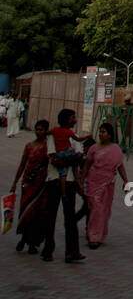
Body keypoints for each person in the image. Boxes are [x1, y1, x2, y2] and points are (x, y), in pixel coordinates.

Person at [42, 109, 86, 263]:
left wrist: (70, 160)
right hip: (54, 180)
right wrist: (71, 159)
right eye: (73, 117)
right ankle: (48, 249)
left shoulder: (74, 138)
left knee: (70, 217)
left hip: (70, 181)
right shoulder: (54, 135)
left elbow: (80, 158)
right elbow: (53, 158)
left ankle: (72, 251)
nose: (75, 119)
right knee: (51, 215)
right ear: (67, 119)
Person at [80, 122, 129, 249]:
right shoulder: (94, 149)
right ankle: (93, 235)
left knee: (103, 210)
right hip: (94, 181)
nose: (101, 134)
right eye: (100, 131)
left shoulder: (115, 149)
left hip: (108, 184)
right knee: (95, 208)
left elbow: (120, 166)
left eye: (104, 132)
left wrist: (126, 180)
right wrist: (81, 180)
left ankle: (98, 236)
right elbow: (87, 165)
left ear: (110, 134)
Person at [10, 118, 50, 254]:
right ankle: (23, 238)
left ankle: (33, 242)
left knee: (38, 213)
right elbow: (22, 164)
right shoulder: (29, 146)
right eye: (37, 129)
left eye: (42, 129)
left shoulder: (48, 146)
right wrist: (15, 182)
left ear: (46, 131)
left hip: (41, 184)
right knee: (25, 211)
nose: (39, 132)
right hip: (28, 183)